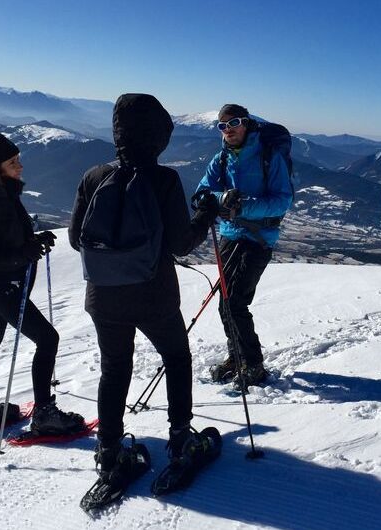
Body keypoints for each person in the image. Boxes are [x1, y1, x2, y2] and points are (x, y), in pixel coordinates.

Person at [69, 94, 220, 499]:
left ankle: (109, 449)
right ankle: (179, 437)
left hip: (103, 298)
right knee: (176, 357)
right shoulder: (164, 180)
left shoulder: (94, 175)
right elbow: (181, 243)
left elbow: (74, 239)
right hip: (153, 296)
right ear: (158, 136)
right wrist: (207, 214)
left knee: (114, 368)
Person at [0, 123, 85, 435]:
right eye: (13, 162)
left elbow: (4, 238)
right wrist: (22, 254)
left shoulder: (2, 195)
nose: (21, 165)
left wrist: (33, 241)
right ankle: (45, 414)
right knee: (48, 339)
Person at [196, 104, 293, 390]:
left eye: (234, 122)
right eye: (222, 125)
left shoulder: (268, 156)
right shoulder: (221, 159)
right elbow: (202, 193)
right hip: (229, 235)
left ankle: (253, 365)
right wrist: (221, 197)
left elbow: (282, 200)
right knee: (226, 303)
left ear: (247, 124)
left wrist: (243, 208)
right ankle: (237, 357)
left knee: (235, 301)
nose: (228, 129)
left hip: (259, 239)